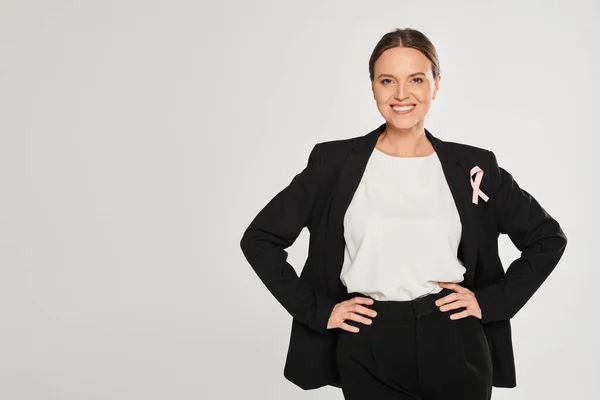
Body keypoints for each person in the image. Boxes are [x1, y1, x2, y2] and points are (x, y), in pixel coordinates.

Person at [240, 28, 567, 400]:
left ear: (436, 84)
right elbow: (260, 240)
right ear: (373, 86)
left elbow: (547, 239)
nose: (400, 95)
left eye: (416, 79)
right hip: (368, 342)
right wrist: (319, 311)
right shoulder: (333, 164)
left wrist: (491, 303)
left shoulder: (473, 167)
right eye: (387, 80)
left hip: (454, 339)